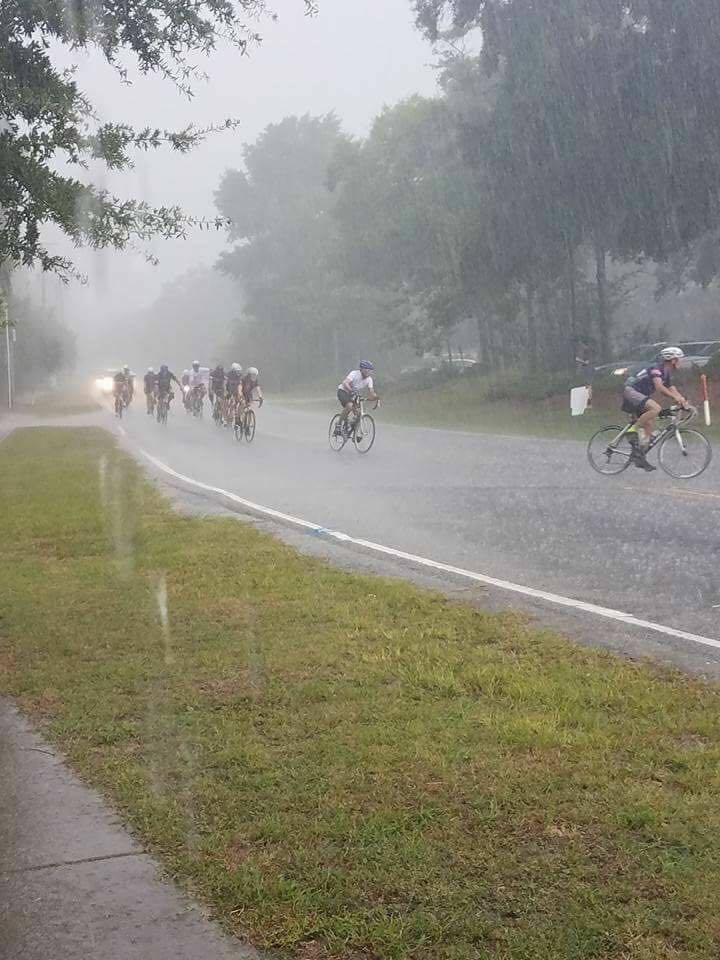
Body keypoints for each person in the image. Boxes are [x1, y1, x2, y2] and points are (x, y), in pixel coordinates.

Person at [622, 346, 689, 471]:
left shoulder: (666, 372)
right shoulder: (656, 369)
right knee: (656, 408)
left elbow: (671, 388)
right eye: (680, 359)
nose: (681, 361)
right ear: (673, 360)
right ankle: (632, 430)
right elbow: (659, 387)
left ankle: (639, 457)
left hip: (640, 395)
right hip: (631, 391)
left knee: (648, 427)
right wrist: (675, 398)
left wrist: (682, 399)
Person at [335, 361, 378, 432]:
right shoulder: (354, 373)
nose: (369, 372)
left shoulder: (369, 379)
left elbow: (371, 391)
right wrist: (351, 390)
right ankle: (338, 424)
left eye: (371, 371)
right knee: (349, 406)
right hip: (343, 391)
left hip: (353, 394)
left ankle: (353, 430)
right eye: (367, 370)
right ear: (362, 369)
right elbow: (345, 382)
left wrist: (377, 398)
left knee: (358, 414)